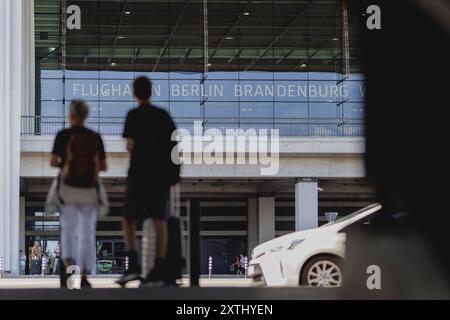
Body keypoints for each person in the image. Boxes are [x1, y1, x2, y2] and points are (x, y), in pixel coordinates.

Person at [117, 76, 180, 287]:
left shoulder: (133, 115)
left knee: (128, 218)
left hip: (138, 174)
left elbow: (130, 146)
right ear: (151, 91)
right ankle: (160, 265)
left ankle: (132, 263)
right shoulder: (163, 116)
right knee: (159, 220)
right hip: (159, 177)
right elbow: (174, 145)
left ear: (134, 93)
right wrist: (173, 175)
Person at [50, 100, 107, 288]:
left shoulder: (63, 135)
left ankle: (70, 270)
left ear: (71, 114)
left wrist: (66, 166)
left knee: (68, 229)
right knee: (87, 232)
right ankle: (83, 276)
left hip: (68, 189)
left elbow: (52, 162)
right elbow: (103, 166)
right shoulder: (94, 136)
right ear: (86, 115)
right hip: (89, 191)